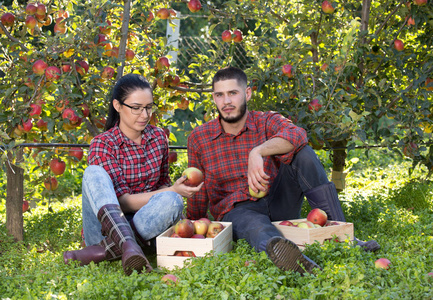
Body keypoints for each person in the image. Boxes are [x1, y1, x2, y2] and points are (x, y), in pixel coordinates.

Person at [186, 66, 380, 274]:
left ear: (247, 93)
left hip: (278, 200)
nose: (226, 102)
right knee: (256, 227)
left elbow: (297, 135)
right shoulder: (199, 138)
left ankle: (344, 236)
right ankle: (291, 258)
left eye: (233, 93)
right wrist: (191, 231)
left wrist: (258, 152)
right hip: (238, 210)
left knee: (303, 154)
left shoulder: (266, 121)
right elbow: (198, 190)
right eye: (219, 95)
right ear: (214, 98)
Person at [63, 73, 202, 275]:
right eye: (136, 108)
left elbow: (163, 184)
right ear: (118, 106)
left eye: (148, 107)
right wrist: (172, 191)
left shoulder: (158, 138)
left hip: (146, 225)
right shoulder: (103, 144)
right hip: (104, 231)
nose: (144, 115)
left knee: (172, 199)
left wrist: (175, 191)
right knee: (93, 172)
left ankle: (106, 252)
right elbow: (121, 202)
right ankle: (126, 245)